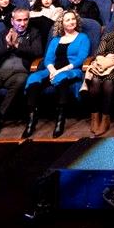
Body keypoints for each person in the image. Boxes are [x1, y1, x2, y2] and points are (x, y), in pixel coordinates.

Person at [0, 7, 46, 138]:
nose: (22, 23)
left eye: (25, 20)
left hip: (20, 72)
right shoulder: (2, 34)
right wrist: (6, 46)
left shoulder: (34, 33)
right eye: (19, 20)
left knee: (20, 81)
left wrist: (17, 45)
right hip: (0, 71)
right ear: (12, 21)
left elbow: (38, 52)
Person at [23, 10, 90, 138]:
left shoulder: (83, 37)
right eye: (67, 20)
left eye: (73, 19)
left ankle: (60, 120)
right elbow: (48, 59)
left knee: (61, 78)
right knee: (33, 78)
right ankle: (32, 120)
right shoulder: (56, 39)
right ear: (62, 23)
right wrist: (52, 70)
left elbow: (81, 59)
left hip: (71, 70)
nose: (71, 22)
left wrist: (59, 71)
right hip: (52, 69)